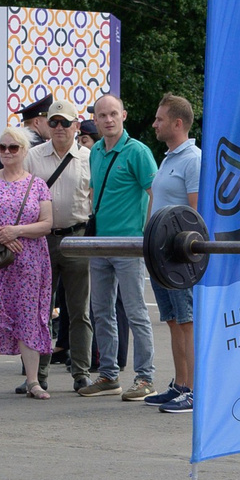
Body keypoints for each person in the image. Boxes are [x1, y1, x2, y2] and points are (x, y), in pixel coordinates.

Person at [0, 125, 54, 398]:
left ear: (24, 151)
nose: (6, 152)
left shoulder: (37, 185)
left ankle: (32, 381)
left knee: (28, 316)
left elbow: (47, 224)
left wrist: (17, 231)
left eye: (12, 148)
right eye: (1, 147)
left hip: (28, 261)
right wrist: (1, 233)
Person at [83, 93, 156, 400]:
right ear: (95, 120)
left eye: (114, 113)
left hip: (129, 244)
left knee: (136, 311)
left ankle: (145, 377)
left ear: (124, 115)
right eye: (102, 115)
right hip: (99, 242)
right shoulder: (95, 151)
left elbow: (155, 192)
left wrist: (148, 234)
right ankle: (109, 375)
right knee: (101, 311)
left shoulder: (138, 151)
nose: (108, 119)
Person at [30, 99, 94, 390]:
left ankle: (80, 372)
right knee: (41, 309)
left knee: (79, 310)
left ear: (76, 126)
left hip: (78, 238)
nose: (58, 127)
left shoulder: (90, 157)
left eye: (64, 122)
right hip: (42, 240)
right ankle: (37, 376)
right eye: (53, 122)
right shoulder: (33, 157)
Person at [144, 93, 201, 412]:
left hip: (179, 260)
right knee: (173, 320)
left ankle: (193, 391)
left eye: (160, 119)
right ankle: (180, 384)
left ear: (177, 123)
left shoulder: (193, 160)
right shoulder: (169, 158)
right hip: (159, 256)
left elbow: (196, 215)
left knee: (187, 321)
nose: (154, 124)